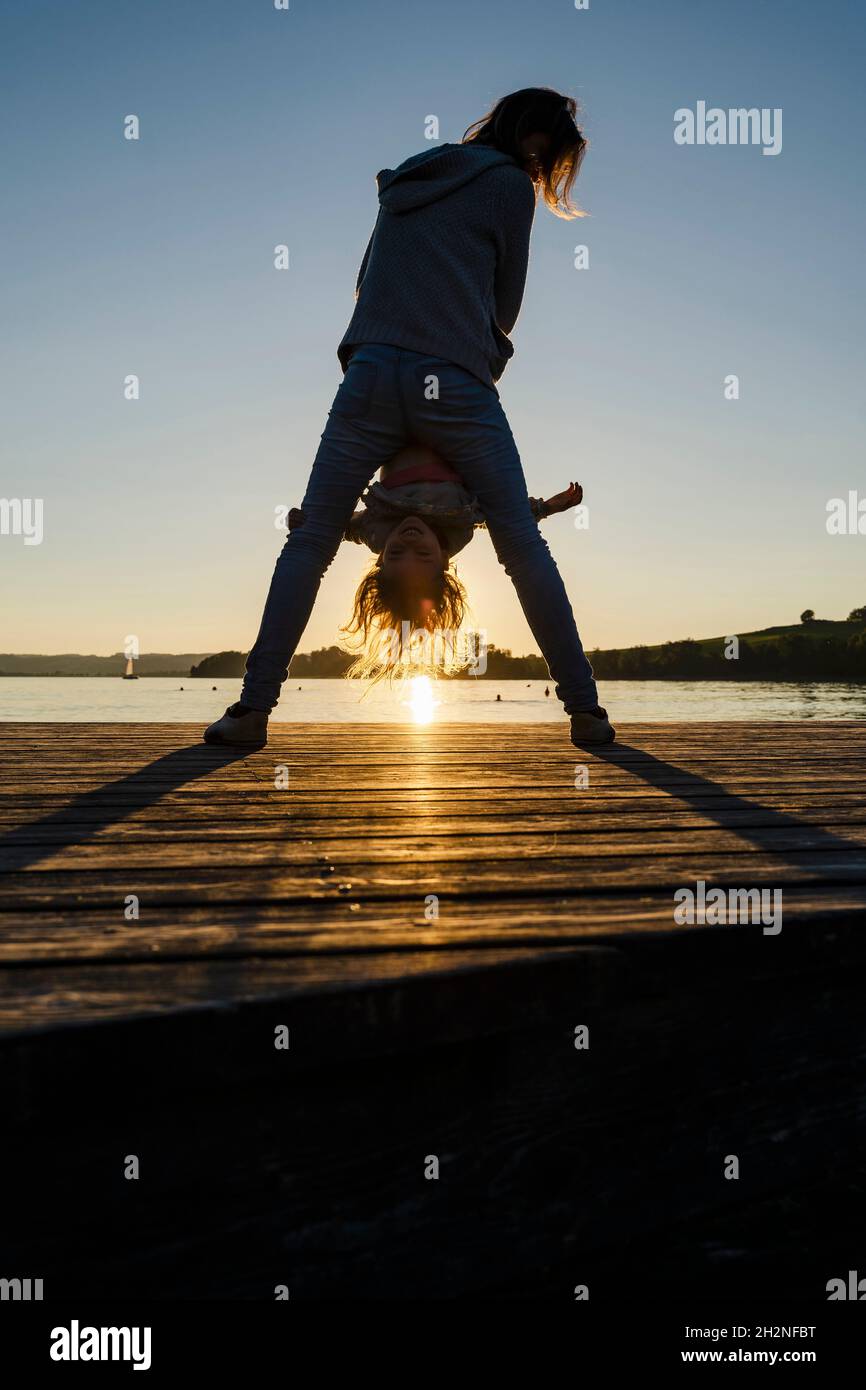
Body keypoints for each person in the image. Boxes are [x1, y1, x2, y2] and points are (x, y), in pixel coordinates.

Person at [205, 87, 613, 748]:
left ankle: (252, 711)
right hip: (452, 375)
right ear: (539, 144)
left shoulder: (413, 174)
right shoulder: (511, 185)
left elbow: (366, 277)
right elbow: (506, 302)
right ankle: (585, 712)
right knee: (520, 546)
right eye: (553, 160)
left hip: (372, 369)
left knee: (305, 548)